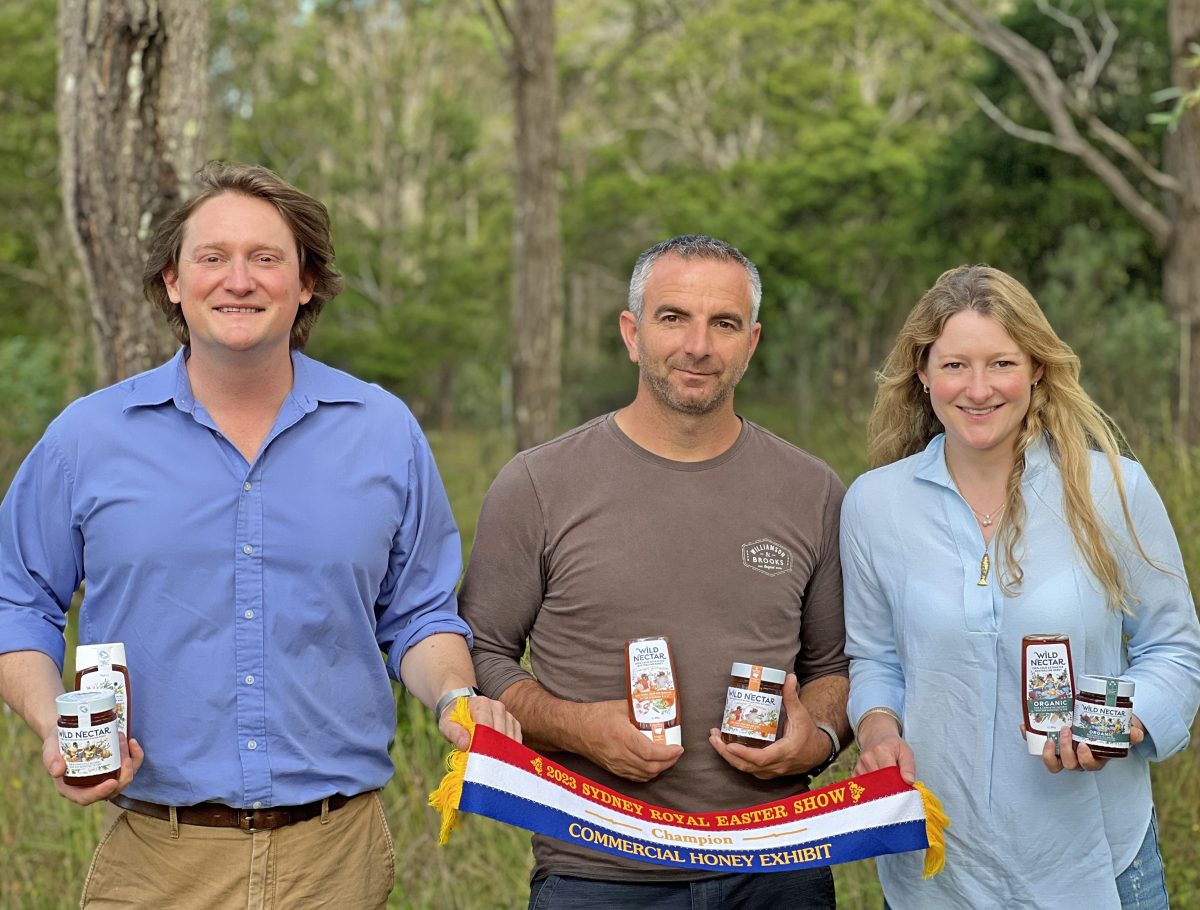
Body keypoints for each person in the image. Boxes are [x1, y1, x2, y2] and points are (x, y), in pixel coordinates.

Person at [0, 161, 519, 909]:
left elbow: (418, 615)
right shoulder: (86, 438)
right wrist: (57, 724)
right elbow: (18, 599)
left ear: (306, 282)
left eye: (265, 258)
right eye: (211, 257)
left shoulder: (384, 433)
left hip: (337, 859)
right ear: (173, 282)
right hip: (156, 859)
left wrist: (452, 698)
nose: (237, 280)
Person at [459, 235, 850, 908]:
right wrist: (578, 728)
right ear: (631, 333)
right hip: (597, 869)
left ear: (751, 342)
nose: (698, 345)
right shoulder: (538, 485)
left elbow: (837, 667)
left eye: (723, 324)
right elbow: (480, 653)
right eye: (673, 318)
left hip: (776, 863)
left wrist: (813, 739)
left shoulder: (813, 491)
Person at [843, 265, 1200, 909]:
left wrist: (1115, 724)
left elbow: (1174, 652)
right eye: (954, 365)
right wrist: (876, 732)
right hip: (937, 869)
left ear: (1036, 368)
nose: (978, 390)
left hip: (1096, 863)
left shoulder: (1112, 489)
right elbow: (874, 658)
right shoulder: (873, 504)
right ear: (922, 373)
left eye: (1001, 362)